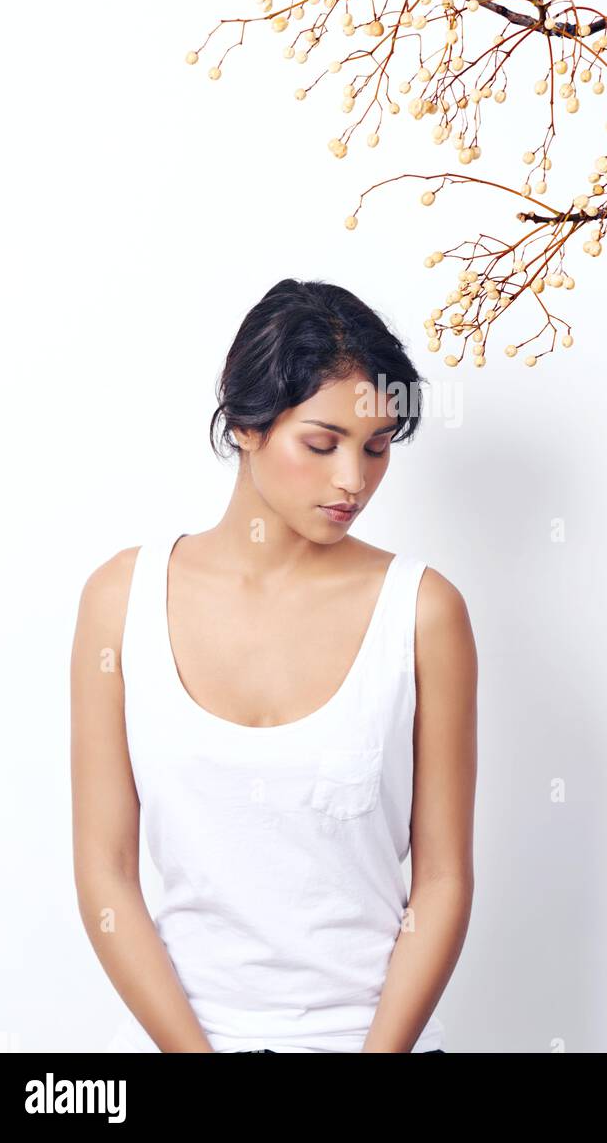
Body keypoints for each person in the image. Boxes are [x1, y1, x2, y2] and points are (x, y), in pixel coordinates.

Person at [71, 278, 478, 1053]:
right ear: (245, 425)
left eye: (377, 448)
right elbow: (106, 870)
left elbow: (442, 879)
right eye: (322, 445)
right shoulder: (121, 599)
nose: (353, 480)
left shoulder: (423, 612)